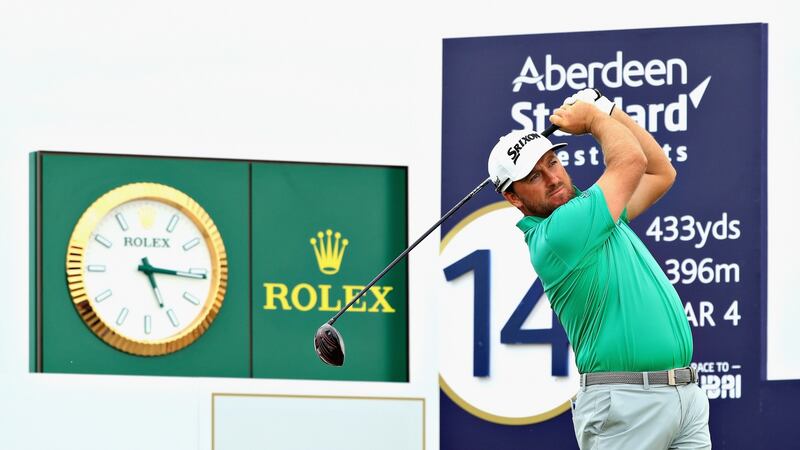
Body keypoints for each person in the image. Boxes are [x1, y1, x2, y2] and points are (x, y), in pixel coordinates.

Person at [487, 88, 711, 449]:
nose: (553, 178)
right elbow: (630, 162)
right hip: (625, 404)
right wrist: (593, 119)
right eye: (533, 177)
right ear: (513, 197)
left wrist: (608, 109)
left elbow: (661, 172)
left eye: (552, 163)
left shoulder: (593, 213)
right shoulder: (559, 233)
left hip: (682, 396)